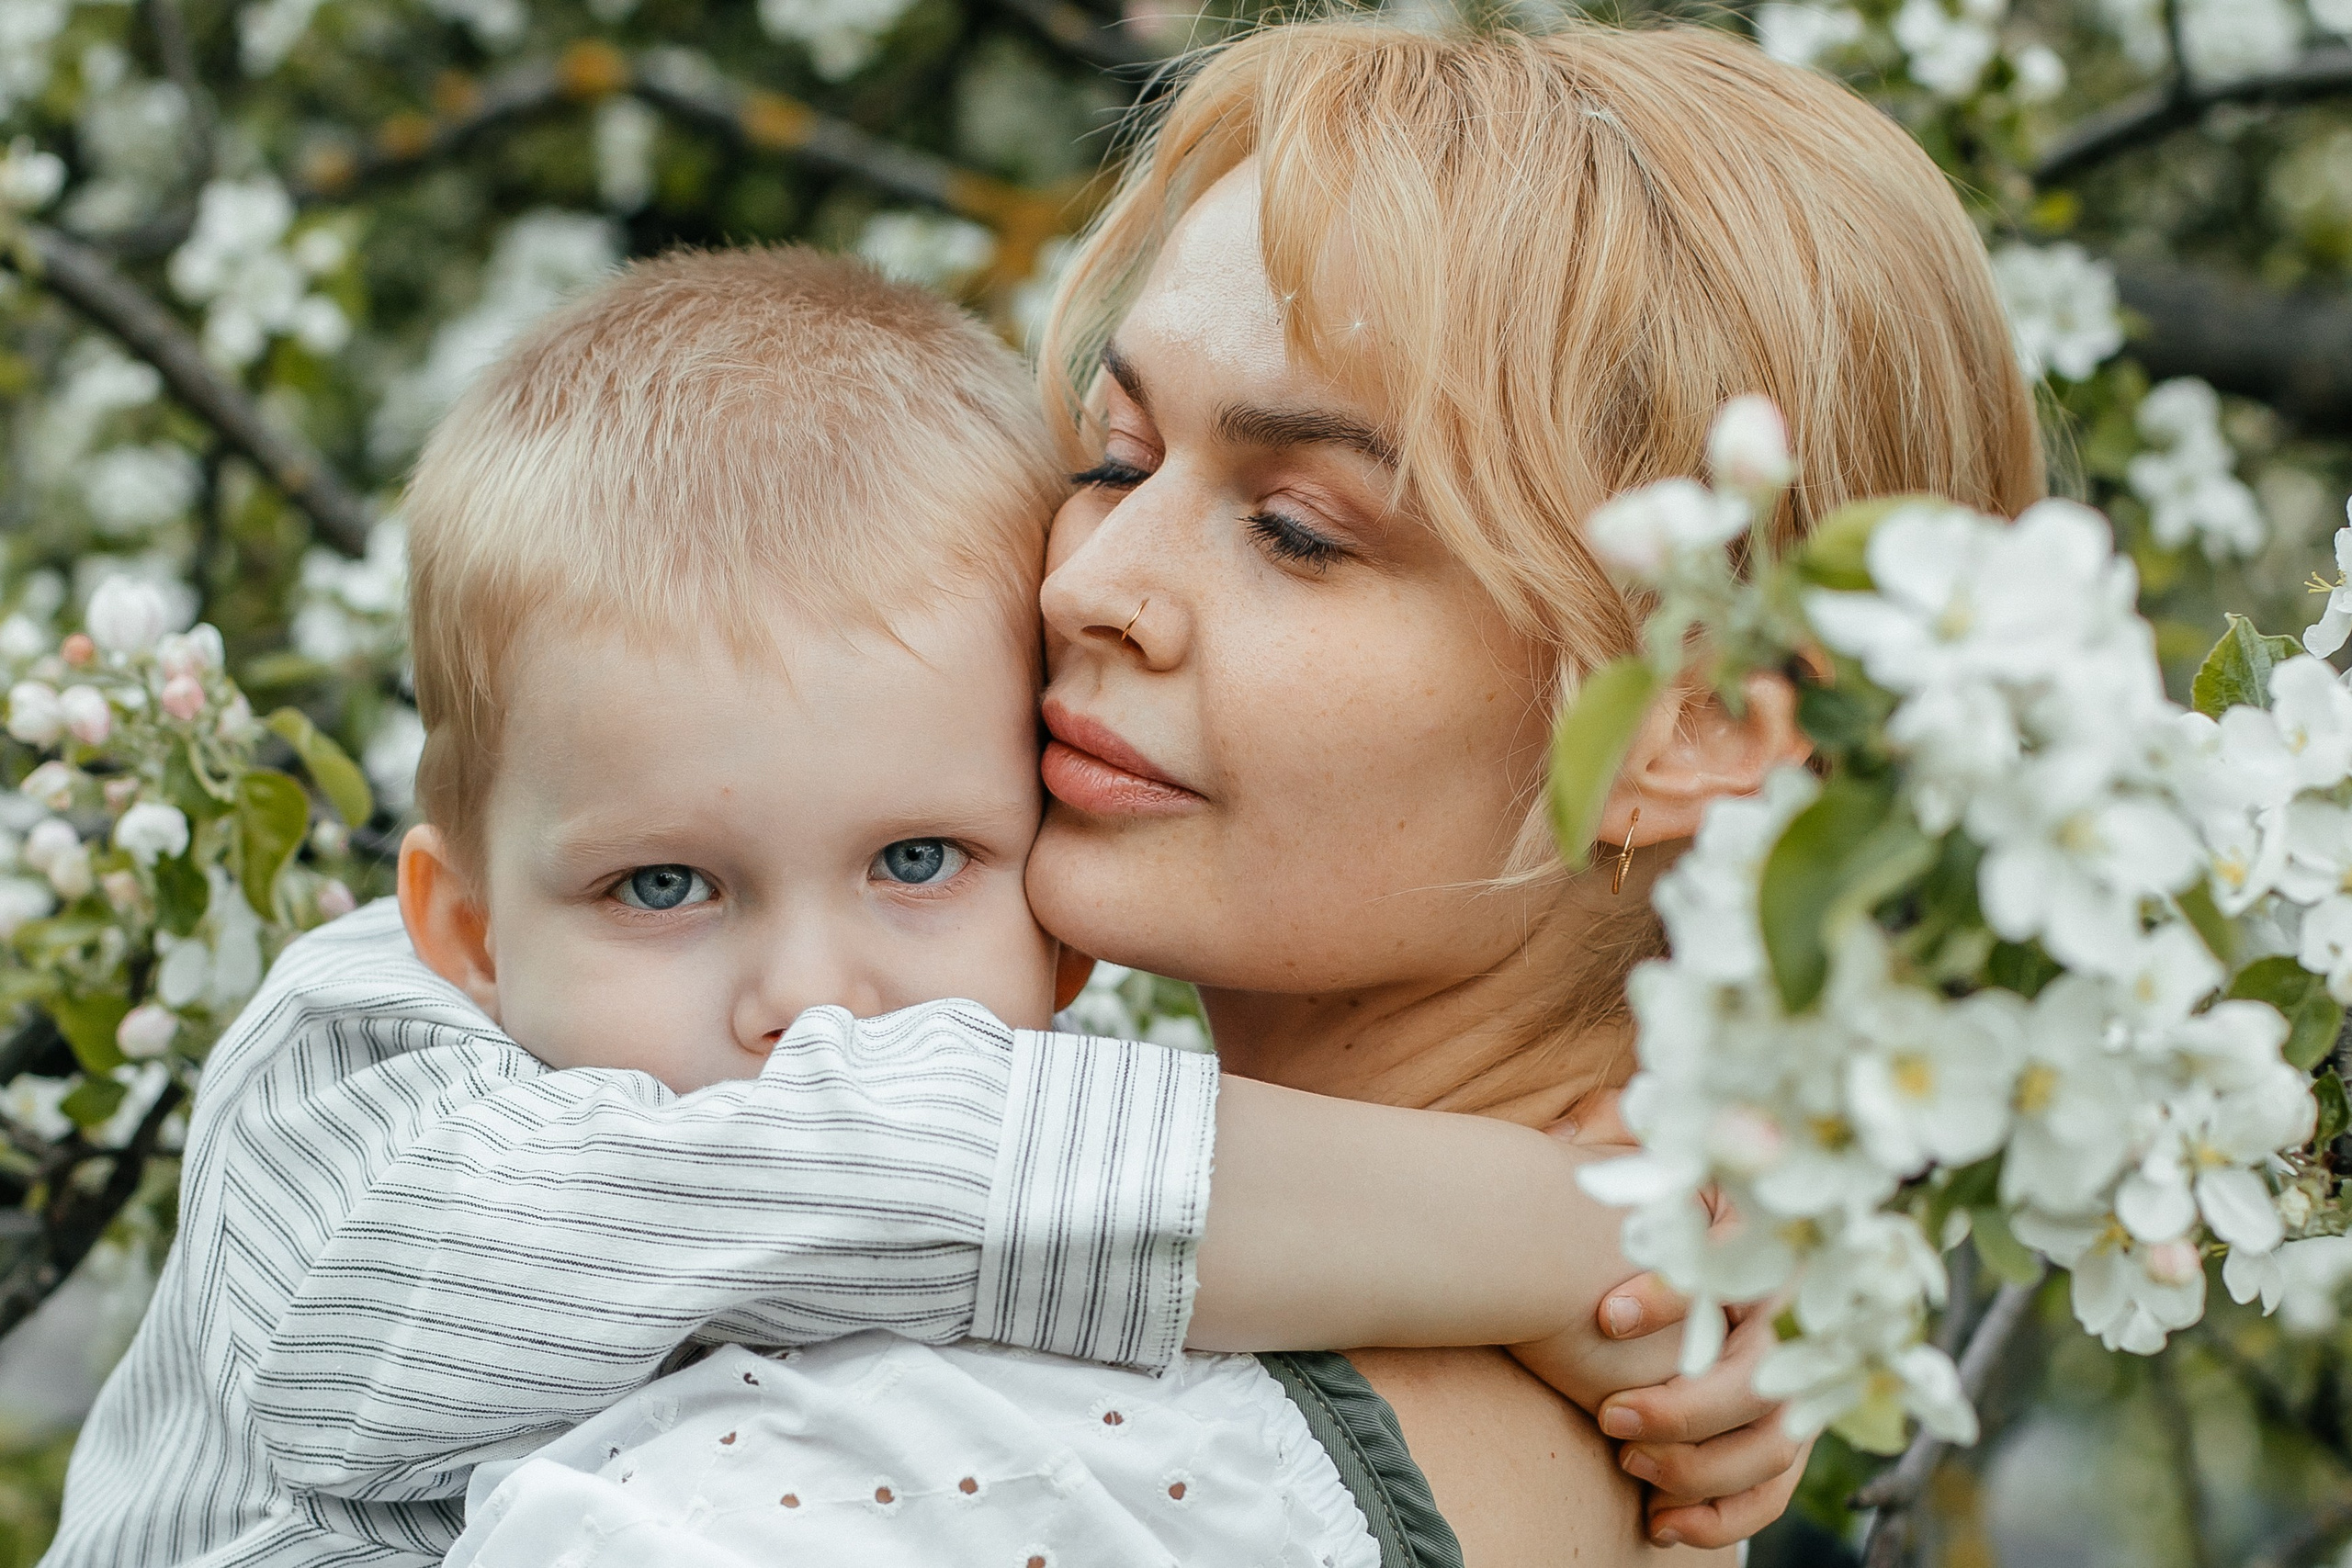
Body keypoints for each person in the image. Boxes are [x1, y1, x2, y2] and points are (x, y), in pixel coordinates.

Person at [42, 245, 1746, 1568]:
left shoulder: (1047, 1013)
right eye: (663, 886)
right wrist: (1571, 1242)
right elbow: (862, 1166)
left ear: (1053, 876)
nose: (816, 1006)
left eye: (920, 860)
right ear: (468, 926)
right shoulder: (358, 1087)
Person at [1017, 16, 2045, 1562]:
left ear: (1689, 725)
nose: (1093, 582)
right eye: (1115, 455)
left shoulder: (1183, 1497)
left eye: (1298, 529)